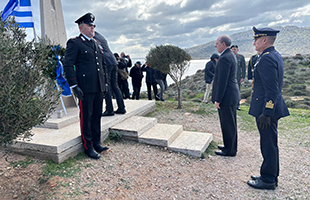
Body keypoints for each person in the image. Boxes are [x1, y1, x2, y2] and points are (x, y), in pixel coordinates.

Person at [247, 27, 290, 190]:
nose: (254, 43)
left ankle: (268, 179)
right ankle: (270, 175)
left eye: (256, 40)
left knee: (268, 145)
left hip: (267, 111)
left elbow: (272, 90)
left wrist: (266, 112)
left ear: (264, 40)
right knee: (270, 143)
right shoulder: (273, 55)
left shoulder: (266, 59)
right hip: (269, 109)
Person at [64, 13, 109, 159]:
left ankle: (96, 142)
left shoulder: (96, 43)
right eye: (89, 25)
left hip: (98, 87)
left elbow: (102, 65)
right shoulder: (75, 43)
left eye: (93, 25)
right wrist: (74, 85)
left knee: (96, 116)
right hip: (85, 88)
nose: (92, 27)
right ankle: (87, 146)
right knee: (86, 118)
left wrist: (105, 83)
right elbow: (68, 63)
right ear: (81, 27)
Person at [212, 35, 240, 157]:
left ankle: (230, 150)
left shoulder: (224, 58)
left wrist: (218, 99)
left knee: (228, 123)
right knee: (230, 123)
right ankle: (230, 146)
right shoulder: (230, 55)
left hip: (227, 97)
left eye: (217, 43)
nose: (216, 45)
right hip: (231, 95)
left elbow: (222, 81)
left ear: (223, 44)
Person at [94, 32, 126, 116]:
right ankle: (121, 107)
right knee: (115, 86)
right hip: (113, 61)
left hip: (106, 62)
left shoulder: (93, 37)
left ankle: (109, 109)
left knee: (106, 85)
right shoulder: (100, 36)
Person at [231, 45, 245, 110]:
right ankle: (231, 104)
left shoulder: (241, 57)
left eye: (235, 49)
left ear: (237, 50)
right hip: (230, 77)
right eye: (233, 49)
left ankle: (237, 105)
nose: (234, 50)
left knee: (237, 91)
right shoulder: (229, 57)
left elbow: (243, 68)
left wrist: (243, 77)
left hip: (238, 77)